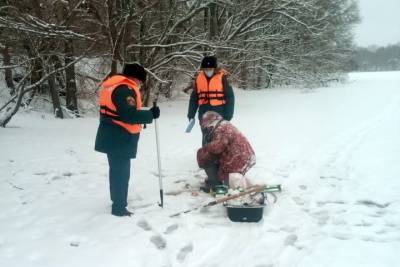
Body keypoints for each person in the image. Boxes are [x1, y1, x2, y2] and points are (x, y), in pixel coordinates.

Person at [95, 63, 160, 217]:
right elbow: (129, 115)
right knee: (121, 173)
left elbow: (121, 113)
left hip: (112, 134)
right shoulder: (124, 90)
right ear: (135, 77)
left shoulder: (114, 86)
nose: (140, 84)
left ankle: (118, 200)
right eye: (140, 81)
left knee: (117, 171)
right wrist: (150, 115)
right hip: (119, 136)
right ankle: (119, 207)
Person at [197, 111, 256, 193]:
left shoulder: (221, 128)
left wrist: (204, 149)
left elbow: (217, 147)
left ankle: (215, 184)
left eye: (207, 126)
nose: (207, 128)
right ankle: (220, 180)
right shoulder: (224, 124)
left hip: (237, 157)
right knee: (233, 181)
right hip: (242, 155)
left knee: (204, 154)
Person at [187, 55, 235, 144]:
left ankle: (219, 156)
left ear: (214, 68)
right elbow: (194, 99)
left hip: (219, 112)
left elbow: (230, 97)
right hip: (203, 112)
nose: (208, 71)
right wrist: (191, 115)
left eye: (210, 69)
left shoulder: (223, 78)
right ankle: (206, 156)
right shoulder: (199, 78)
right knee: (206, 136)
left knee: (219, 136)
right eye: (206, 69)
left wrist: (229, 114)